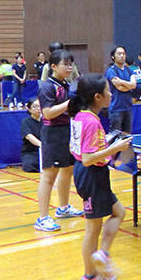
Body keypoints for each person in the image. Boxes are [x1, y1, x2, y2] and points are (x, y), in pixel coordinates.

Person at [68, 73, 131, 280]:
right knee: (92, 229)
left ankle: (102, 253)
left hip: (94, 174)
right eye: (108, 91)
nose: (111, 94)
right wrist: (115, 148)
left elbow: (84, 148)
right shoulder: (91, 121)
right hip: (91, 175)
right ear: (97, 97)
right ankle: (89, 277)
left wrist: (107, 146)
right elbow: (87, 158)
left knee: (119, 212)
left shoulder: (80, 116)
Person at [35, 49, 84, 231]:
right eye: (66, 64)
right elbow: (48, 113)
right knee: (49, 176)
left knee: (68, 170)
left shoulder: (67, 84)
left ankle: (63, 208)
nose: (70, 67)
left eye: (71, 64)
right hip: (53, 134)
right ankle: (42, 218)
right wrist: (69, 104)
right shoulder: (47, 87)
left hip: (67, 131)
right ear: (54, 66)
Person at [104, 46, 136, 133]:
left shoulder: (129, 70)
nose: (122, 56)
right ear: (113, 57)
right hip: (116, 108)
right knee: (115, 135)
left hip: (128, 107)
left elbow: (134, 85)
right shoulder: (111, 71)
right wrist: (129, 85)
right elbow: (119, 87)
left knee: (127, 134)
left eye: (123, 54)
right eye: (119, 54)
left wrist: (121, 81)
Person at [20, 98, 42, 173]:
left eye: (40, 106)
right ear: (29, 109)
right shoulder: (26, 122)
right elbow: (29, 136)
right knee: (30, 165)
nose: (38, 109)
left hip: (46, 151)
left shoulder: (46, 121)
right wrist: (41, 145)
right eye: (35, 107)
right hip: (31, 152)